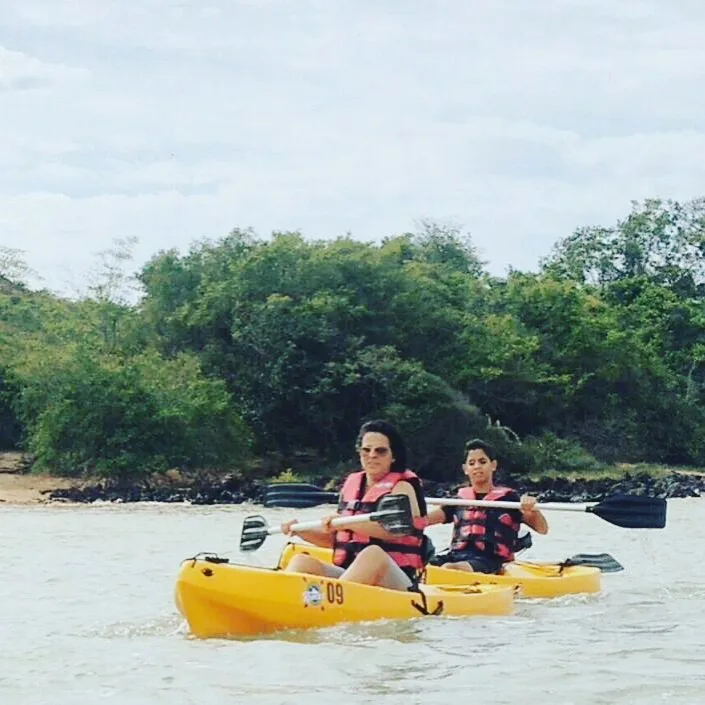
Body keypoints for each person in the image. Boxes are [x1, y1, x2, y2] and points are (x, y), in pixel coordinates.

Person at [280, 420, 429, 591]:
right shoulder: (352, 485)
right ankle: (287, 603)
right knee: (301, 561)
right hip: (352, 575)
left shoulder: (403, 487)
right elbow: (338, 541)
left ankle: (334, 604)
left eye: (380, 451)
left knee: (373, 554)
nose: (372, 455)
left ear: (393, 456)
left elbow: (391, 531)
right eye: (366, 450)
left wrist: (345, 522)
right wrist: (300, 531)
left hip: (396, 580)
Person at [427, 438, 548, 574]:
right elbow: (423, 520)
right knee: (423, 567)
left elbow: (542, 528)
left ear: (493, 465)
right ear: (465, 469)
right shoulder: (459, 500)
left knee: (449, 569)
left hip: (490, 560)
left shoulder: (508, 499)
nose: (477, 466)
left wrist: (533, 510)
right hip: (456, 556)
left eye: (482, 461)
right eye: (472, 463)